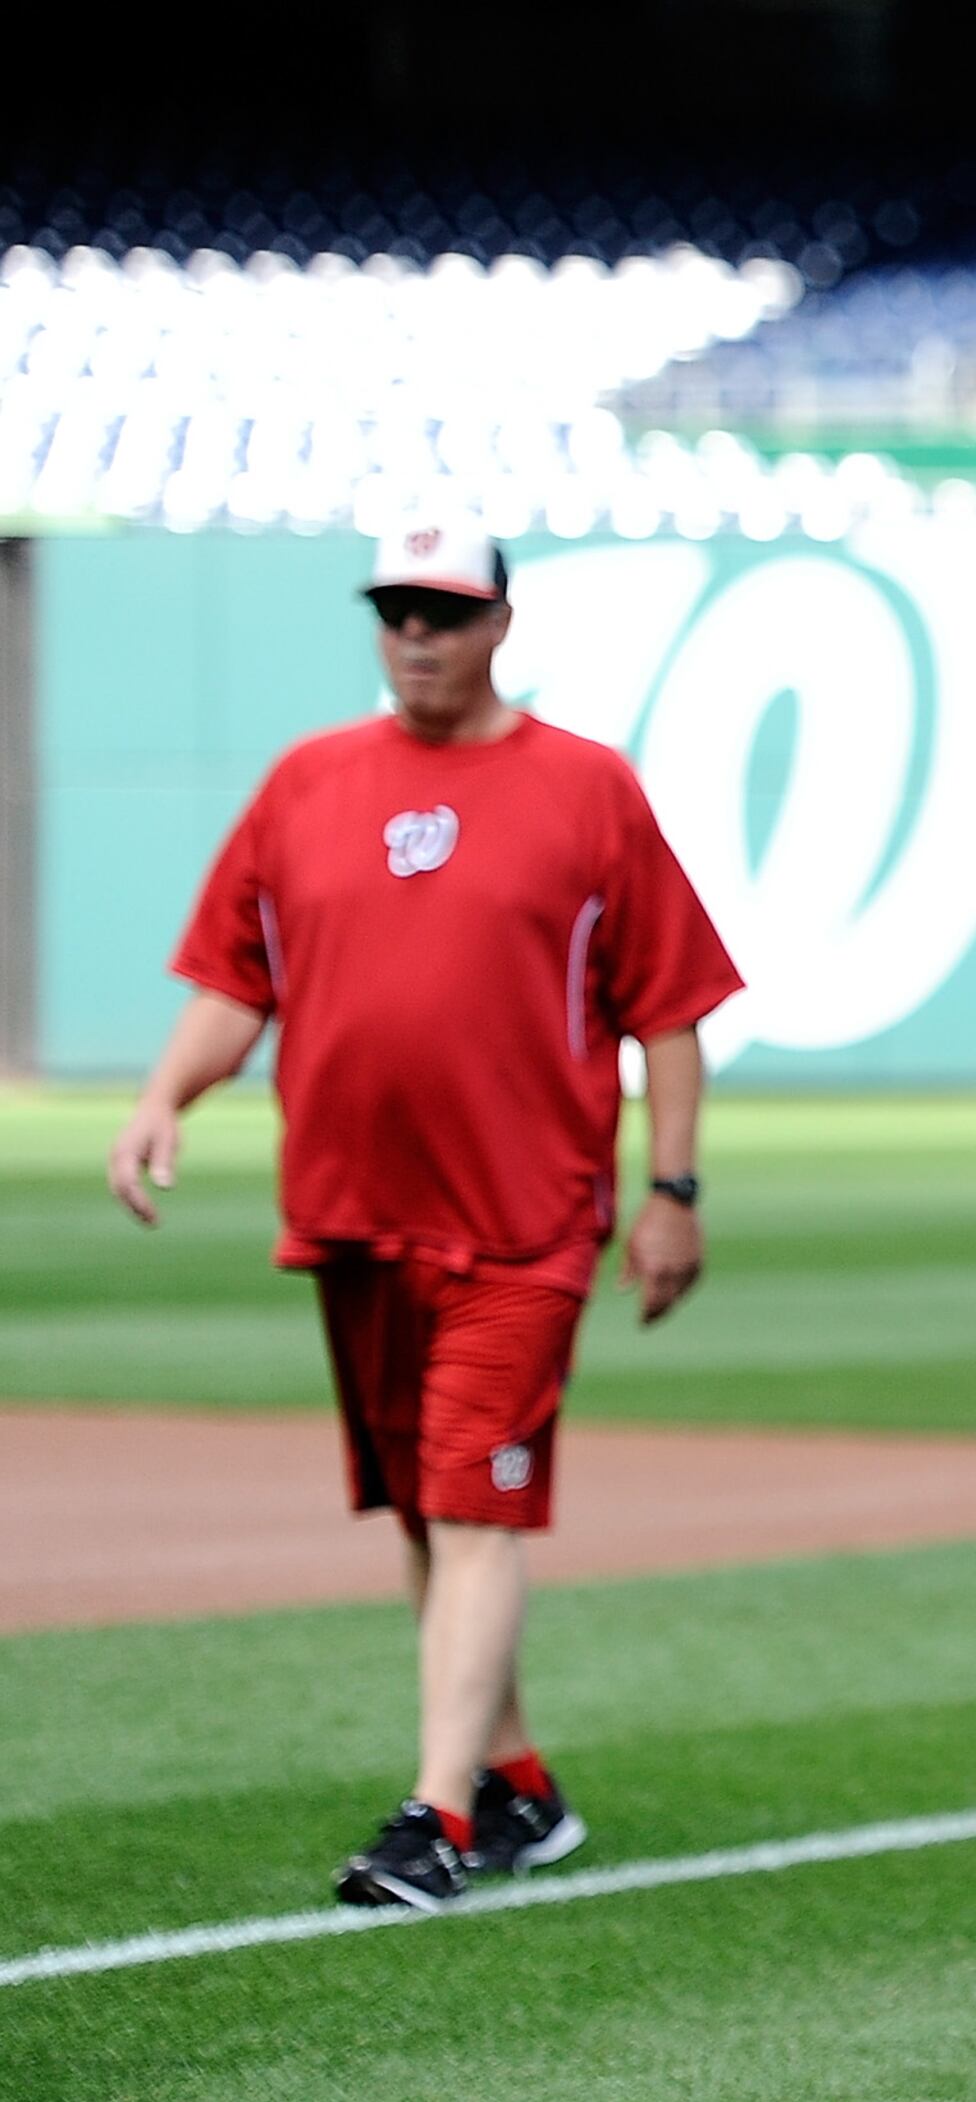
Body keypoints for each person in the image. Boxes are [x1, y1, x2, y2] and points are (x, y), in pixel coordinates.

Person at [108, 516, 742, 1910]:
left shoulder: (586, 790)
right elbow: (235, 976)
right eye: (397, 608)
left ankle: (437, 1814)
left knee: (469, 1506)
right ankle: (517, 1781)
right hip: (351, 1212)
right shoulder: (307, 782)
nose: (416, 634)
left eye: (445, 613)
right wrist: (166, 1095)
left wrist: (672, 1190)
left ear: (501, 625)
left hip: (523, 1222)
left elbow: (672, 1007)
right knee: (425, 1506)